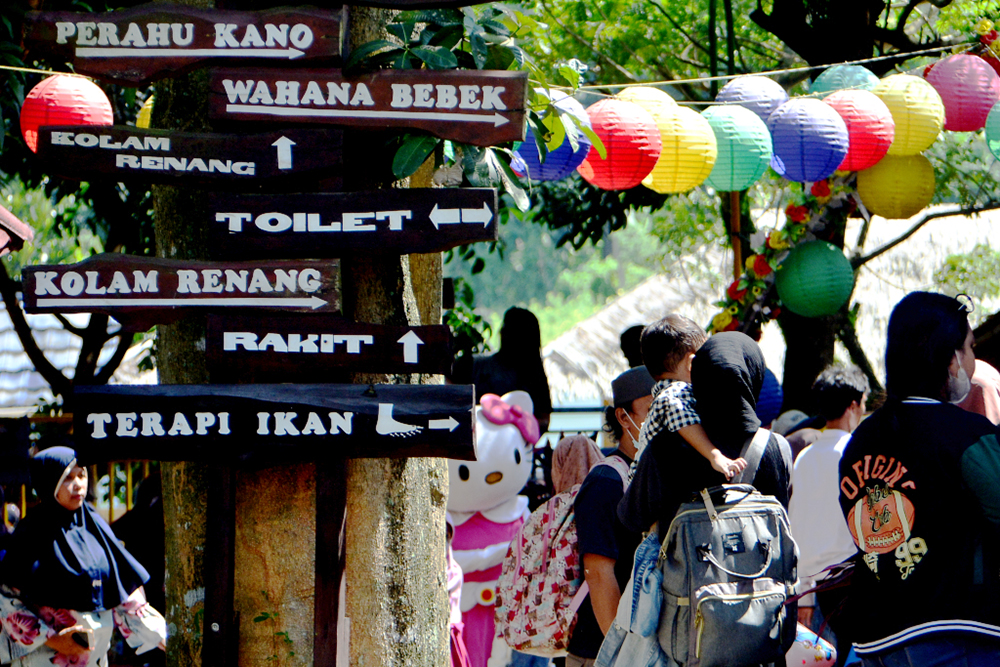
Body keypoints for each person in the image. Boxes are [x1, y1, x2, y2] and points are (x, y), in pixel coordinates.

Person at [838, 292, 1000, 665]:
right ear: (952, 358)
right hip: (955, 632)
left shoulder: (862, 438)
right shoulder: (965, 434)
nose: (974, 360)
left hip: (877, 636)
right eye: (971, 347)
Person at [0, 446, 167, 666]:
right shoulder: (31, 534)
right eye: (67, 478)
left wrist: (165, 637)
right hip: (46, 657)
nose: (78, 484)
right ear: (49, 482)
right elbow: (7, 601)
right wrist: (53, 639)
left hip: (94, 657)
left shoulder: (95, 527)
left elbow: (126, 594)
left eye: (82, 475)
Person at [620, 331, 792, 538]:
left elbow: (631, 517)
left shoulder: (666, 445)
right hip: (763, 569)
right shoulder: (776, 447)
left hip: (691, 568)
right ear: (752, 375)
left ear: (701, 374)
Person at [568, 366, 653, 667]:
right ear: (622, 417)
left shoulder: (650, 474)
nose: (661, 420)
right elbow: (599, 575)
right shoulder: (606, 481)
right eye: (652, 410)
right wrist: (621, 654)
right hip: (600, 653)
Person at [789, 364, 869, 667]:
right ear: (852, 405)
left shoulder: (806, 456)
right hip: (851, 589)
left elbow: (796, 527)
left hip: (812, 591)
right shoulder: (856, 451)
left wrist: (804, 597)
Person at [635, 315, 747, 480]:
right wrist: (715, 456)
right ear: (692, 364)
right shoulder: (677, 391)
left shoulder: (663, 393)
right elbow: (677, 411)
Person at [472, 307, 553, 433]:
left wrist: (519, 427)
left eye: (509, 328)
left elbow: (544, 419)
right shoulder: (475, 366)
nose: (502, 332)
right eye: (503, 327)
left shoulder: (535, 376)